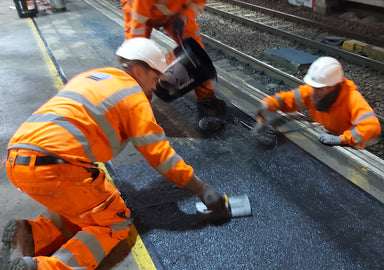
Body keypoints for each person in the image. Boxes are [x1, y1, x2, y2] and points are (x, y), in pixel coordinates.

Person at [1, 38, 230, 270]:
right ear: (139, 70)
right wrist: (202, 189)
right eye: (153, 79)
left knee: (85, 208)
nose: (154, 87)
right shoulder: (134, 97)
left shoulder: (94, 76)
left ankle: (27, 236)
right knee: (114, 221)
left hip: (15, 159)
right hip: (56, 168)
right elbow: (161, 156)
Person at [121, 0, 226, 132]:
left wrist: (185, 15)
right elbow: (138, 26)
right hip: (138, 14)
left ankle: (207, 101)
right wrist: (140, 57)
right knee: (138, 61)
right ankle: (140, 106)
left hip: (174, 12)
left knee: (196, 52)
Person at [256, 56, 381, 148]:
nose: (313, 92)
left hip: (348, 145)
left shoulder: (352, 98)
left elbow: (371, 127)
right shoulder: (313, 90)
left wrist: (341, 139)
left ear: (333, 86)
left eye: (319, 89)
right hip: (326, 134)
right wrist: (269, 104)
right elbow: (288, 100)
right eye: (313, 87)